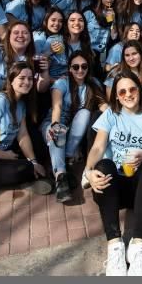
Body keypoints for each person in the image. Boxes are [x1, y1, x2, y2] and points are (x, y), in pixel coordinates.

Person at [86, 72, 142, 276]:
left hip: (139, 190)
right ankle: (115, 246)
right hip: (112, 188)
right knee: (104, 163)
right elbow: (97, 147)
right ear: (116, 96)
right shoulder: (111, 115)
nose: (128, 94)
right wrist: (88, 172)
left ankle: (139, 246)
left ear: (140, 91)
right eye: (122, 91)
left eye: (132, 89)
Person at [0, 62, 52, 193]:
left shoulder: (21, 103)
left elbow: (23, 135)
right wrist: (1, 154)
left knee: (39, 151)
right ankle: (27, 178)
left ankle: (30, 175)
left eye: (30, 79)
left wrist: (34, 161)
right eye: (22, 78)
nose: (27, 82)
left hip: (5, 150)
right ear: (11, 80)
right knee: (23, 169)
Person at [44, 51, 107, 202]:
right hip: (53, 122)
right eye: (76, 67)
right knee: (58, 132)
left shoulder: (93, 83)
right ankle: (61, 177)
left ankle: (63, 160)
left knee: (85, 113)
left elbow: (104, 106)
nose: (80, 70)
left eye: (84, 66)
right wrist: (55, 125)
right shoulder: (62, 82)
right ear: (70, 68)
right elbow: (57, 106)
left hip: (74, 130)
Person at [0, 21, 44, 106]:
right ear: (8, 36)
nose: (20, 35)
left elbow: (40, 89)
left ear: (31, 38)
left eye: (25, 33)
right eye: (16, 33)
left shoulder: (34, 58)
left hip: (19, 106)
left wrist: (44, 71)